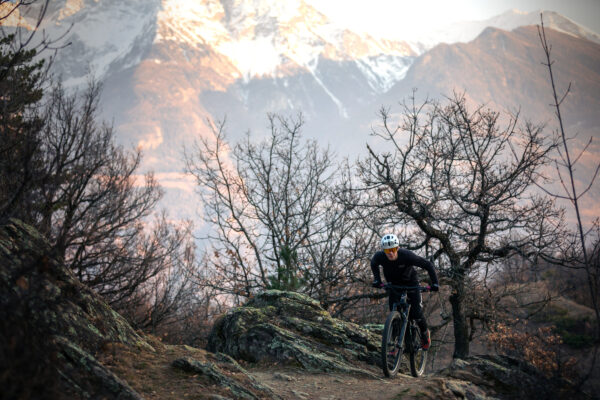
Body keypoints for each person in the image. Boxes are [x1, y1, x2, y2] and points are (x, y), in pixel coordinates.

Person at [371, 233, 439, 350]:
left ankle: (424, 334)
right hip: (394, 285)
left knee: (416, 313)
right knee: (394, 314)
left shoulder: (407, 256)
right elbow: (374, 264)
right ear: (384, 251)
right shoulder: (379, 257)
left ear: (397, 248)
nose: (390, 253)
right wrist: (377, 280)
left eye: (392, 249)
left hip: (411, 284)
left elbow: (427, 265)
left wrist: (435, 283)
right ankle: (394, 346)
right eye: (387, 251)